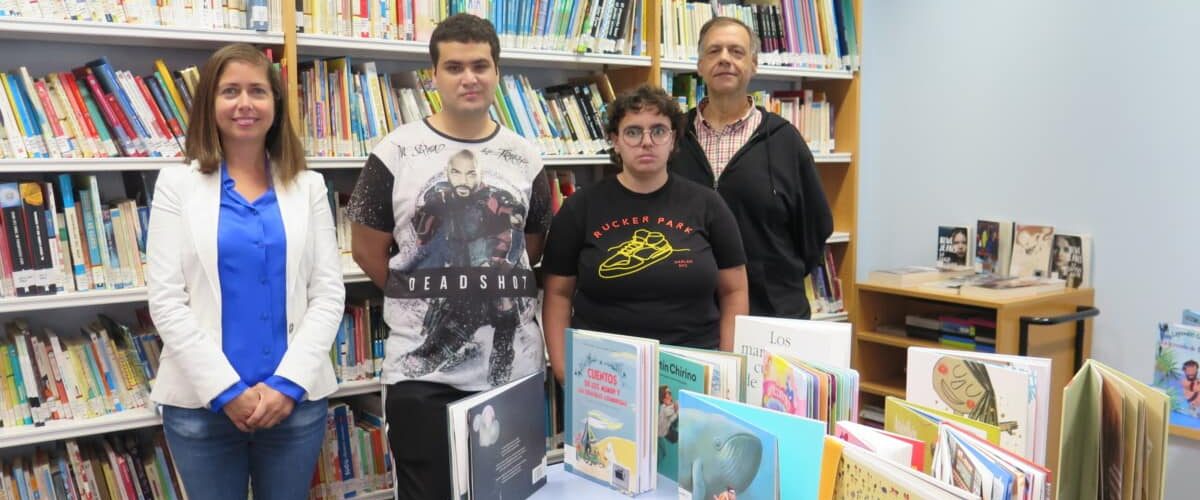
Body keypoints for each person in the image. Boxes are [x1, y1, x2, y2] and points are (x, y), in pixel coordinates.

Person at [346, 14, 551, 500]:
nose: (469, 77)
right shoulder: (395, 153)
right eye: (454, 66)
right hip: (423, 382)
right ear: (432, 76)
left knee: (509, 492)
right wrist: (425, 290)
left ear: (497, 71)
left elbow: (536, 243)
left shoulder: (525, 156)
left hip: (513, 371)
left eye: (480, 65)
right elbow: (365, 248)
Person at [145, 43, 344, 500]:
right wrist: (226, 391)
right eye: (229, 90)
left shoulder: (308, 186)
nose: (244, 104)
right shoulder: (176, 185)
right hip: (201, 407)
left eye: (257, 91)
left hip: (294, 404)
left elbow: (328, 294)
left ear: (275, 103)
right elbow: (167, 301)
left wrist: (288, 384)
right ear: (209, 105)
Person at [541, 85, 749, 383]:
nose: (647, 142)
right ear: (615, 140)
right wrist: (563, 370)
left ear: (673, 139)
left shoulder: (707, 205)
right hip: (605, 372)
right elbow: (558, 294)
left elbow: (735, 291)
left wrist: (728, 367)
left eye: (659, 131)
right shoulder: (580, 208)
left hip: (692, 369)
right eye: (633, 132)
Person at [669, 16, 834, 319]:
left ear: (754, 65)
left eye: (736, 51)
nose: (725, 59)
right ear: (700, 65)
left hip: (771, 314)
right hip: (690, 316)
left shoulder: (784, 141)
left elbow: (815, 228)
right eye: (714, 51)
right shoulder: (673, 138)